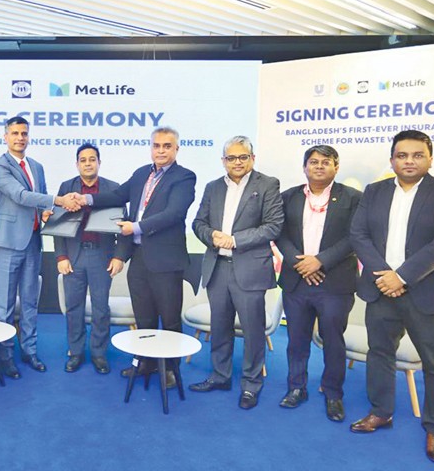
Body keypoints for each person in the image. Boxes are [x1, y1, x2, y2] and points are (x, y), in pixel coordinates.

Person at [349, 130, 434, 464]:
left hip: (428, 292)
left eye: (417, 155)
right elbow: (359, 234)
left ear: (430, 159)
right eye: (402, 155)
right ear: (392, 160)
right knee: (379, 353)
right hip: (380, 289)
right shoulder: (374, 191)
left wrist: (401, 277)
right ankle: (381, 411)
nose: (409, 161)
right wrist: (385, 276)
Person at [78, 127, 196, 388]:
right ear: (151, 148)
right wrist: (84, 199)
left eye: (167, 146)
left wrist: (136, 227)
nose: (161, 151)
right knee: (144, 318)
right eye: (157, 145)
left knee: (170, 319)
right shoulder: (142, 173)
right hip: (139, 258)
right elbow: (116, 196)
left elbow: (174, 213)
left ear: (177, 149)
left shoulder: (185, 177)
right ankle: (145, 363)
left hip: (166, 261)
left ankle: (171, 370)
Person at [189, 136, 283, 410]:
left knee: (253, 331)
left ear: (252, 158)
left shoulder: (267, 184)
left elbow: (273, 226)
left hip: (250, 269)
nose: (237, 162)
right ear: (223, 161)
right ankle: (220, 376)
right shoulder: (213, 187)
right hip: (217, 267)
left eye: (243, 157)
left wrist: (235, 240)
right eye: (231, 158)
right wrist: (211, 235)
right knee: (219, 327)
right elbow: (198, 223)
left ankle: (251, 385)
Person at [0, 116, 81, 379]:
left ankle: (29, 351)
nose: (20, 137)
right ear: (5, 136)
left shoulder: (37, 167)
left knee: (30, 302)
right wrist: (59, 200)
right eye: (15, 133)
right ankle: (4, 356)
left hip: (33, 242)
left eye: (24, 133)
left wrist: (47, 212)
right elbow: (19, 195)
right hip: (8, 243)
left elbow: (39, 202)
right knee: (5, 305)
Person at [275, 145, 361, 421]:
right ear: (305, 167)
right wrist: (300, 264)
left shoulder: (353, 198)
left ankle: (333, 393)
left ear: (336, 167)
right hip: (297, 281)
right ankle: (296, 387)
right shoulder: (287, 197)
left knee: (332, 340)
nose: (319, 166)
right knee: (296, 340)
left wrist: (320, 261)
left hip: (334, 283)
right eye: (314, 162)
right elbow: (279, 234)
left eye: (326, 162)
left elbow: (355, 237)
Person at [54, 143, 121, 374]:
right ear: (77, 164)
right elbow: (58, 223)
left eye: (92, 159)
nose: (88, 164)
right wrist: (61, 256)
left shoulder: (113, 189)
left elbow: (123, 223)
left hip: (102, 256)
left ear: (99, 162)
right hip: (74, 255)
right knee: (74, 307)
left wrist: (119, 256)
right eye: (83, 160)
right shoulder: (67, 187)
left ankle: (99, 354)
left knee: (101, 307)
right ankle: (76, 352)